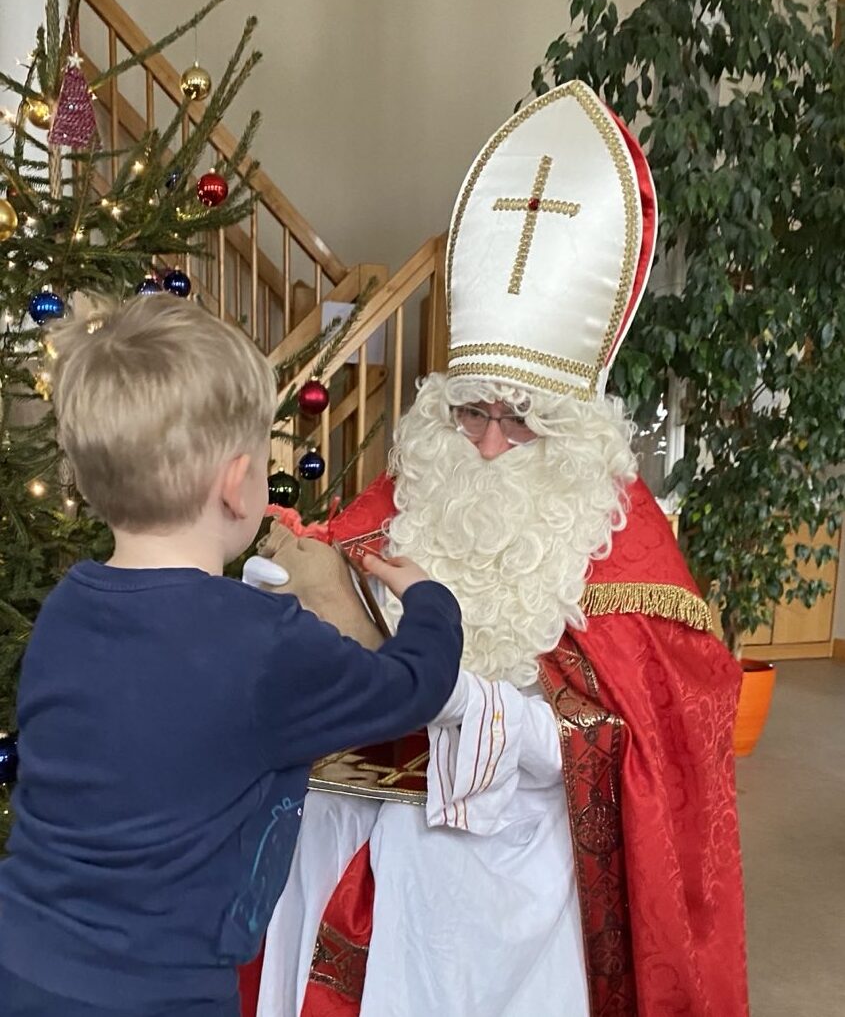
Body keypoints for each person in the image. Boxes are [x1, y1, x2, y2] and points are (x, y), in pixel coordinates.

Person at [247, 80, 749, 1017]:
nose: (482, 443)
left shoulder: (624, 546)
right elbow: (337, 569)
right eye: (468, 411)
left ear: (571, 430)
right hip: (352, 815)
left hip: (504, 871)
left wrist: (478, 714)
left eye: (517, 423)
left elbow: (641, 743)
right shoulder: (420, 481)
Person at [0, 294, 465, 1017]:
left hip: (21, 958)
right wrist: (431, 601)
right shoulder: (264, 643)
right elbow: (414, 686)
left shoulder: (67, 607)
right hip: (162, 994)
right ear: (235, 483)